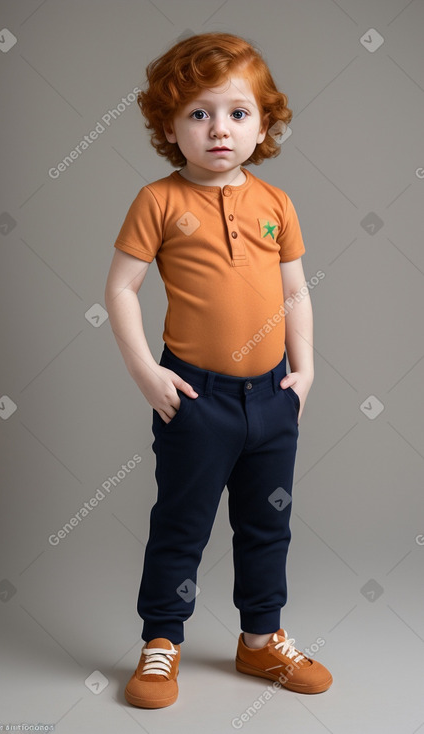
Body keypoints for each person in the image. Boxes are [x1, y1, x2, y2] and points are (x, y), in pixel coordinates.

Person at [104, 31, 333, 709]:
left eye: (236, 112)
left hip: (271, 400)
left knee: (267, 525)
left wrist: (306, 372)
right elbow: (119, 290)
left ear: (263, 124)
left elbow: (294, 293)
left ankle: (259, 642)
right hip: (194, 397)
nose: (218, 130)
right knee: (181, 522)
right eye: (197, 114)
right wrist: (147, 373)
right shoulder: (158, 202)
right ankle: (161, 642)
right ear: (169, 126)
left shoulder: (275, 204)